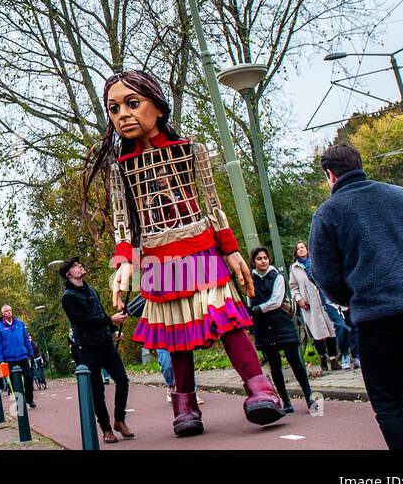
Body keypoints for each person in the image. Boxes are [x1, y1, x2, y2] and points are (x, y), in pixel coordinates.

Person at [84, 70, 284, 437]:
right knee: (176, 332)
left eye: (132, 103)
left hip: (200, 248)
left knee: (226, 319)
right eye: (114, 109)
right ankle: (185, 402)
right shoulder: (120, 167)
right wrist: (124, 261)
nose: (122, 115)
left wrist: (232, 250)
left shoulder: (190, 150)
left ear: (157, 107)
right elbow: (122, 222)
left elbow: (212, 204)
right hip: (159, 258)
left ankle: (259, 386)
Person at [309, 143, 403, 450]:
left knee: (388, 402)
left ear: (330, 175)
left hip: (377, 315)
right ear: (360, 165)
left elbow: (324, 274)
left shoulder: (328, 214)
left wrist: (351, 298)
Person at [60, 257, 134, 442]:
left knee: (122, 380)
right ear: (69, 274)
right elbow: (83, 322)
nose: (80, 266)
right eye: (76, 266)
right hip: (87, 348)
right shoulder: (68, 297)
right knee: (97, 390)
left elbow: (99, 313)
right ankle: (106, 429)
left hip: (105, 343)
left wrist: (114, 330)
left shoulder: (91, 289)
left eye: (79, 264)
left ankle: (119, 420)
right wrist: (110, 320)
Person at [249, 247, 316, 414]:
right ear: (254, 261)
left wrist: (258, 309)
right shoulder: (250, 280)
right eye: (259, 258)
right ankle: (285, 400)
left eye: (265, 258)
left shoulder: (277, 277)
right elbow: (249, 302)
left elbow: (277, 301)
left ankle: (309, 396)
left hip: (281, 324)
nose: (263, 261)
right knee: (274, 366)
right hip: (264, 328)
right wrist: (254, 312)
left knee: (295, 361)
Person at [289, 242, 341, 371]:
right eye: (298, 248)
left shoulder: (316, 262)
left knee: (331, 330)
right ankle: (322, 357)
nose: (301, 250)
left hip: (324, 301)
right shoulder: (295, 268)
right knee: (317, 332)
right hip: (309, 304)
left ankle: (333, 359)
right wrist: (299, 299)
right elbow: (293, 287)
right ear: (295, 253)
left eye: (303, 247)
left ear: (307, 249)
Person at [0, 304, 37, 408]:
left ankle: (30, 399)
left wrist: (30, 353)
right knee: (14, 382)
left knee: (29, 376)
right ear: (3, 313)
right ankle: (20, 402)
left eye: (10, 310)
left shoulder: (20, 324)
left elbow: (26, 339)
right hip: (9, 359)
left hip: (23, 356)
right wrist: (1, 359)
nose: (9, 312)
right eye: (7, 311)